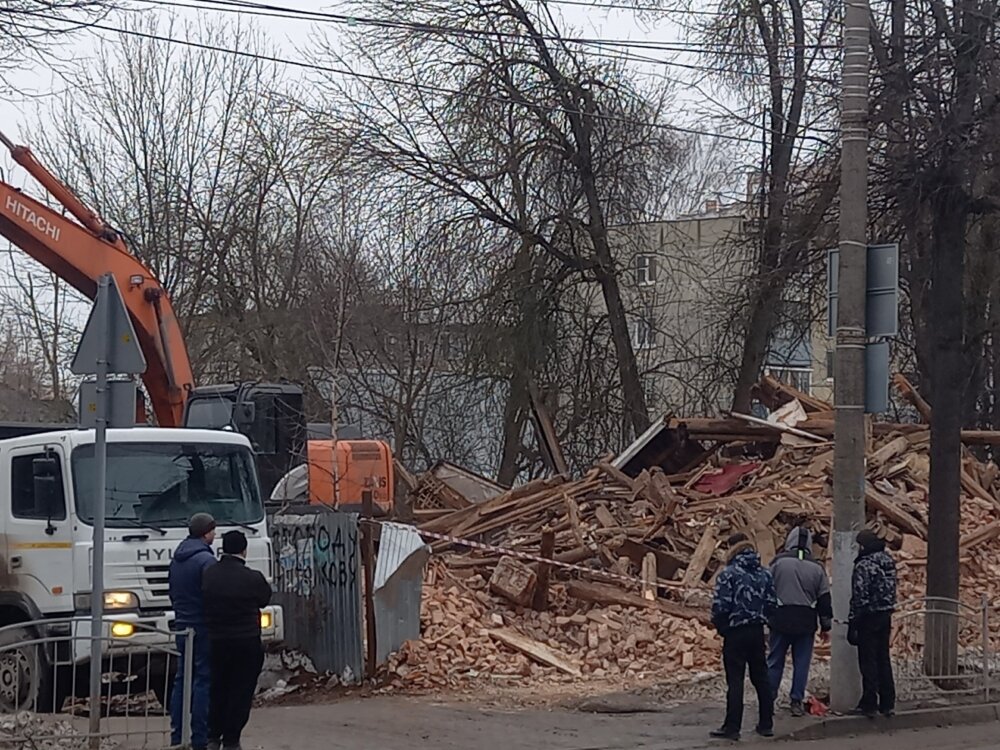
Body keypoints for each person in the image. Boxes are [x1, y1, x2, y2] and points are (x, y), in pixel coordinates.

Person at [203, 530, 273, 750]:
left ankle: (213, 735)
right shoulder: (252, 577)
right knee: (241, 690)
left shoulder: (209, 574)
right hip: (246, 641)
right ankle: (232, 739)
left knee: (218, 687)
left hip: (217, 641)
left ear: (223, 548)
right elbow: (264, 599)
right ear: (244, 550)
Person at [710, 533, 778, 741]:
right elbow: (773, 603)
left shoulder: (728, 574)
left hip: (735, 632)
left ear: (732, 547)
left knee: (736, 681)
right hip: (757, 631)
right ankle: (766, 723)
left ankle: (732, 727)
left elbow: (720, 606)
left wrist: (723, 627)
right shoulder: (764, 574)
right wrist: (762, 620)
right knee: (761, 678)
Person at [767, 526, 832, 716]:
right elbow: (824, 599)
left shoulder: (778, 563)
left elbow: (766, 589)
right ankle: (796, 700)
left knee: (775, 661)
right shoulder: (817, 568)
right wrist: (825, 624)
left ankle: (769, 699)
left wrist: (766, 615)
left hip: (780, 619)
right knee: (801, 663)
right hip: (806, 621)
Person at [168, 513, 218, 750]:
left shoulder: (177, 559)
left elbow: (173, 593)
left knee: (181, 679)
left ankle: (177, 735)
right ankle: (199, 738)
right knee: (202, 679)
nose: (215, 535)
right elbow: (213, 595)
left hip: (182, 624)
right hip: (202, 626)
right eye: (213, 530)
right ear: (206, 532)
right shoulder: (206, 561)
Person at [848, 528, 897, 718]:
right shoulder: (887, 561)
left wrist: (853, 621)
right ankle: (888, 701)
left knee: (868, 660)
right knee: (883, 658)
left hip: (868, 617)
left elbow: (859, 595)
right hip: (885, 614)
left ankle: (870, 702)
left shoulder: (864, 565)